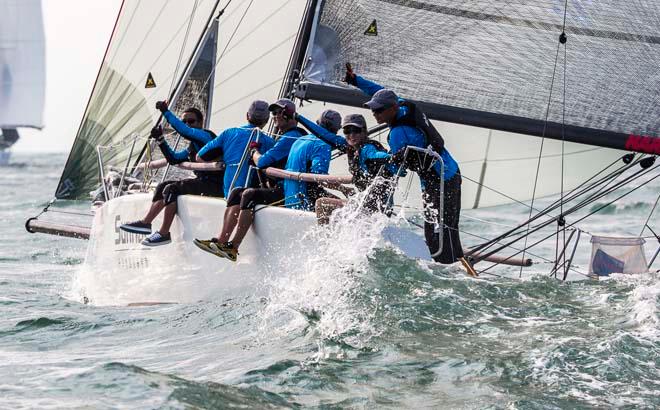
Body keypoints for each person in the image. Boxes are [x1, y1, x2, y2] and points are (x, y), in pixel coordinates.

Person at [345, 65, 466, 266]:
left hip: (442, 180)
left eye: (379, 110)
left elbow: (396, 171)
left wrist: (374, 177)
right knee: (441, 229)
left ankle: (449, 267)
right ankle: (453, 262)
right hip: (442, 175)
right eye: (373, 109)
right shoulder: (402, 107)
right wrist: (355, 80)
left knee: (440, 232)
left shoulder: (399, 134)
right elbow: (378, 91)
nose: (375, 114)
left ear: (392, 109)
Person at [194, 98, 305, 261]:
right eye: (272, 114)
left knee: (248, 195)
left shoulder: (289, 137)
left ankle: (233, 247)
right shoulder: (272, 139)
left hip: (289, 191)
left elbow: (263, 161)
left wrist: (253, 152)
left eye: (277, 113)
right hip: (280, 186)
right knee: (237, 192)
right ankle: (222, 240)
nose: (274, 117)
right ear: (267, 120)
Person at [120, 102, 221, 246]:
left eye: (191, 121)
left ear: (200, 122)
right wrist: (160, 140)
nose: (187, 124)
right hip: (204, 183)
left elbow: (184, 131)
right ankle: (146, 223)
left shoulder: (205, 137)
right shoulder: (193, 146)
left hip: (216, 185)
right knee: (163, 186)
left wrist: (165, 111)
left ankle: (164, 233)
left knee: (172, 189)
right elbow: (174, 159)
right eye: (184, 121)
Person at [296, 111, 396, 224]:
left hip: (376, 209)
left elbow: (375, 155)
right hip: (365, 204)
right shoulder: (349, 147)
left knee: (322, 204)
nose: (351, 135)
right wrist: (298, 117)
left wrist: (392, 158)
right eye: (347, 131)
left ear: (364, 131)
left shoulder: (368, 148)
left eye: (356, 131)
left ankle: (327, 241)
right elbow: (323, 134)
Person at [195, 100, 275, 198]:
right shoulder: (270, 142)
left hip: (228, 194)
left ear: (247, 116)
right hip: (249, 198)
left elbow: (199, 157)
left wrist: (224, 158)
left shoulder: (229, 133)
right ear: (267, 120)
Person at [282, 110, 340, 211]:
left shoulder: (299, 141)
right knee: (345, 208)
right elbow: (320, 178)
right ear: (335, 130)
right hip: (304, 204)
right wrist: (344, 189)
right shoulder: (322, 145)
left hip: (289, 201)